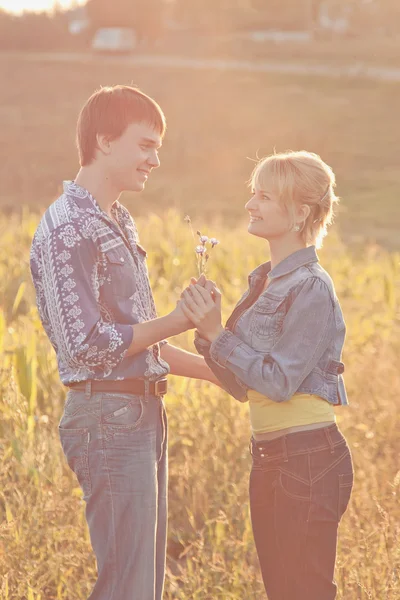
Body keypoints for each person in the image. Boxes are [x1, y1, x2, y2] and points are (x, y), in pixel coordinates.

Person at [29, 84, 220, 600]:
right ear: (104, 140)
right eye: (145, 145)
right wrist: (180, 318)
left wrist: (219, 370)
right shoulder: (68, 228)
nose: (155, 159)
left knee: (143, 588)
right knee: (125, 591)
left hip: (139, 415)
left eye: (157, 148)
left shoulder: (116, 220)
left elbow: (137, 342)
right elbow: (88, 346)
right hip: (107, 419)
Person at [180, 150, 353, 600]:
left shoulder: (312, 286)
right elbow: (244, 386)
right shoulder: (265, 281)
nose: (250, 205)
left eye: (265, 196)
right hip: (273, 457)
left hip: (308, 459)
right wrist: (203, 332)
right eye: (253, 193)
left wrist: (218, 333)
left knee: (305, 593)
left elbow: (278, 381)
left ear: (300, 212)